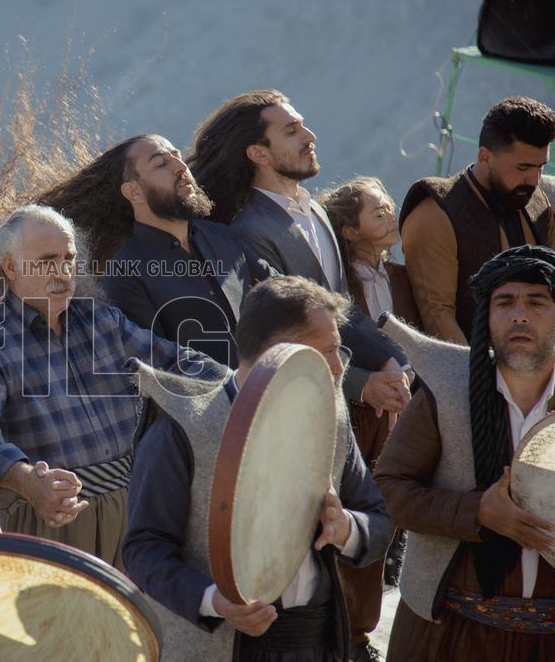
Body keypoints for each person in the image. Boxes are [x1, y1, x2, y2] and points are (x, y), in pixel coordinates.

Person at [123, 276, 391, 661]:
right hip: (219, 645)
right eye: (328, 351)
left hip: (315, 641)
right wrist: (216, 600)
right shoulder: (185, 428)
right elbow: (143, 549)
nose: (338, 366)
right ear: (279, 353)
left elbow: (379, 522)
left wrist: (345, 527)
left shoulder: (332, 418)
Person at [0, 204, 225, 568]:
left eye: (69, 258)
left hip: (138, 510)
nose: (63, 272)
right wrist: (31, 483)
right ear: (11, 267)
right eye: (48, 260)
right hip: (54, 520)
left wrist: (244, 384)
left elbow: (176, 363)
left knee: (145, 621)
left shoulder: (102, 321)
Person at [188, 89, 412, 424]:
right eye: (291, 131)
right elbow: (285, 333)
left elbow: (340, 306)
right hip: (302, 408)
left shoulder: (316, 212)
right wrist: (362, 385)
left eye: (302, 126)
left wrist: (395, 359)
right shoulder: (251, 230)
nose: (310, 137)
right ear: (258, 154)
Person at [375, 245, 555, 661]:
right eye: (504, 302)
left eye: (537, 302)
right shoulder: (447, 389)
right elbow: (388, 491)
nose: (520, 315)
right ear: (486, 318)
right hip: (447, 635)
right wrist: (477, 512)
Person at [35, 133, 270, 367]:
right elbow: (158, 366)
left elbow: (280, 294)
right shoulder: (125, 273)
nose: (180, 167)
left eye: (177, 156)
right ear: (134, 192)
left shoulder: (224, 236)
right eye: (161, 164)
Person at [318, 176, 421, 659]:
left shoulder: (402, 277)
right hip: (359, 414)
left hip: (406, 410)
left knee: (387, 516)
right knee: (355, 510)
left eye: (389, 206)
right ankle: (350, 630)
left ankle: (363, 626)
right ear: (349, 230)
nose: (389, 216)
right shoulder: (341, 289)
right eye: (376, 211)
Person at [399, 96, 555, 344]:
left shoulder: (537, 201)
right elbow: (438, 318)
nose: (534, 181)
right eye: (523, 168)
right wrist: (477, 378)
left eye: (541, 168)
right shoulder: (434, 214)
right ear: (485, 157)